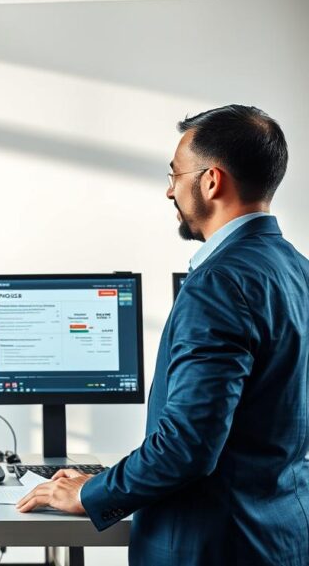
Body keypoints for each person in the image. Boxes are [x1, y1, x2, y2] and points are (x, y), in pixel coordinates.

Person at [16, 105, 309, 565]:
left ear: (211, 181)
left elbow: (187, 447)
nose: (169, 189)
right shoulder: (297, 270)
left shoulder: (220, 282)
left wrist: (91, 492)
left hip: (213, 546)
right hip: (281, 538)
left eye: (175, 174)